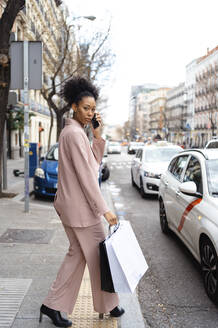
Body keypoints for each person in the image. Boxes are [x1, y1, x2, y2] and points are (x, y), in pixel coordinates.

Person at [39, 77, 124, 327]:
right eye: (86, 108)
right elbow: (88, 178)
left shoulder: (77, 133)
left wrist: (97, 137)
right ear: (74, 106)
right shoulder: (74, 134)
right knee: (99, 257)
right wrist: (105, 210)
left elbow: (92, 167)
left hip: (73, 207)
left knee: (77, 255)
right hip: (80, 210)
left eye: (93, 109)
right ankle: (108, 305)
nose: (90, 113)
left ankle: (53, 305)